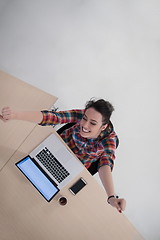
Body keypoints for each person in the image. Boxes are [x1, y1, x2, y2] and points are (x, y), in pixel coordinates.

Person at [0, 98, 126, 213]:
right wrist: (15, 115)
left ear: (103, 126)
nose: (85, 125)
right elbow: (54, 117)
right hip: (56, 147)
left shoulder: (109, 140)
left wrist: (111, 197)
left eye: (93, 123)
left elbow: (105, 165)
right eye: (85, 118)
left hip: (73, 165)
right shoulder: (82, 115)